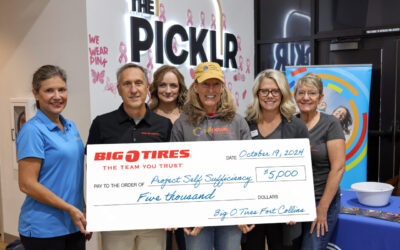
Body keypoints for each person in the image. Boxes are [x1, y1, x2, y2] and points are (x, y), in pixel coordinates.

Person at [86, 63, 172, 250]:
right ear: (118, 89)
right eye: (127, 84)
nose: (133, 89)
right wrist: (92, 211)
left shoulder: (164, 125)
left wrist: (170, 212)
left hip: (153, 217)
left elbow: (172, 171)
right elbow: (92, 171)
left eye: (138, 83)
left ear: (147, 87)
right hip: (114, 218)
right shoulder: (102, 124)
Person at [170, 62, 251, 250]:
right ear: (195, 87)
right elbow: (174, 171)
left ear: (223, 87)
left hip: (231, 212)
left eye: (216, 84)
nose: (211, 89)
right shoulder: (182, 123)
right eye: (206, 84)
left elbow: (249, 167)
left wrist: (244, 209)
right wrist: (183, 213)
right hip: (195, 213)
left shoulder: (237, 122)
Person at [16, 65, 89, 250]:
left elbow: (73, 174)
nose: (57, 96)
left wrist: (84, 208)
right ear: (36, 94)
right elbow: (26, 184)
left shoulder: (71, 126)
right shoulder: (32, 131)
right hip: (44, 228)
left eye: (61, 89)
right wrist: (70, 208)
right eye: (49, 90)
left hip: (73, 222)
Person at [241, 69, 309, 250]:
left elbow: (304, 171)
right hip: (252, 208)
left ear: (283, 93)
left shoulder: (296, 127)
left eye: (275, 91)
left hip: (284, 210)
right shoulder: (245, 124)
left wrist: (297, 206)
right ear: (257, 94)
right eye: (264, 91)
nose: (269, 95)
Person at [294, 73, 345, 250]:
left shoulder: (331, 124)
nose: (306, 98)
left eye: (312, 93)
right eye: (301, 93)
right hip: (294, 202)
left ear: (320, 97)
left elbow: (338, 168)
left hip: (320, 200)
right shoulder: (290, 123)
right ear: (295, 96)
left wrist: (323, 207)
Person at [150, 65, 187, 250]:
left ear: (180, 88)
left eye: (173, 85)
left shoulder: (190, 116)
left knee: (186, 241)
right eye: (163, 85)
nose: (168, 90)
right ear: (156, 87)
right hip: (157, 190)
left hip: (186, 188)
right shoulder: (146, 116)